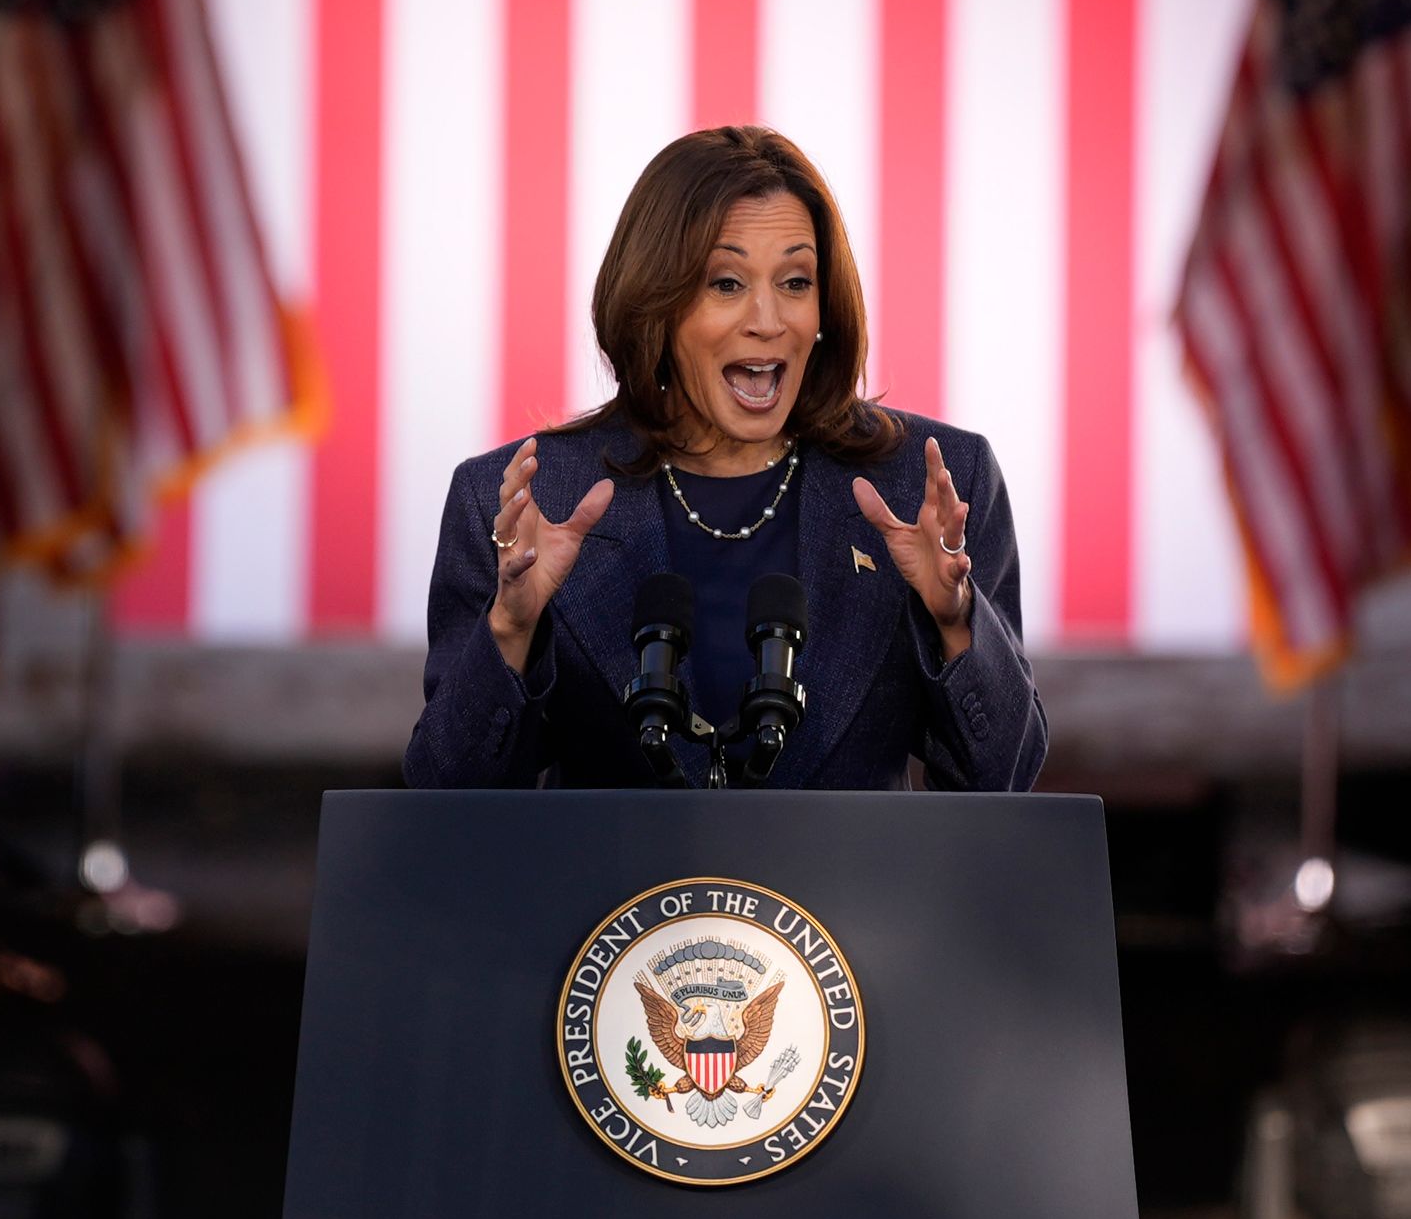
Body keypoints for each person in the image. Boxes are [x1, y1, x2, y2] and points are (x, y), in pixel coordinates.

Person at [403, 124, 1049, 791]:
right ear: (656, 304)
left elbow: (1002, 781)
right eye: (726, 283)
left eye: (796, 281)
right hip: (608, 897)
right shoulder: (522, 503)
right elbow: (448, 801)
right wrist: (511, 628)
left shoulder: (929, 486)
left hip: (846, 898)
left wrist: (955, 621)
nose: (768, 319)